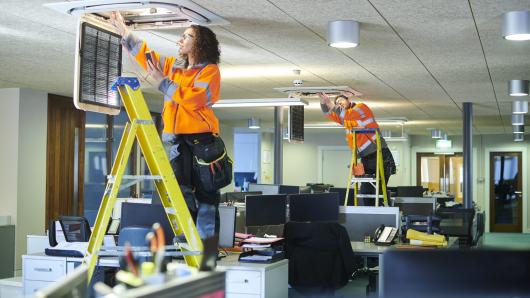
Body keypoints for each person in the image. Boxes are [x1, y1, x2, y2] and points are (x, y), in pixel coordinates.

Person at [110, 11, 223, 240]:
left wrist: (163, 83)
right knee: (179, 195)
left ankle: (208, 254)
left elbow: (195, 99)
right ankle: (186, 243)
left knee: (207, 198)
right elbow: (147, 56)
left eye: (186, 36)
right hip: (174, 140)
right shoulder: (174, 67)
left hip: (202, 141)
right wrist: (125, 33)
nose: (179, 40)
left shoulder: (210, 71)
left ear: (200, 44)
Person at [318, 92, 396, 206]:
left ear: (348, 99)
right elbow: (329, 114)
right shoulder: (345, 118)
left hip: (380, 154)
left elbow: (349, 114)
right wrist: (323, 102)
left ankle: (385, 218)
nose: (340, 104)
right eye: (337, 103)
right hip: (366, 158)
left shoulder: (361, 108)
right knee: (365, 192)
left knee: (378, 191)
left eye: (341, 101)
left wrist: (330, 103)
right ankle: (371, 218)